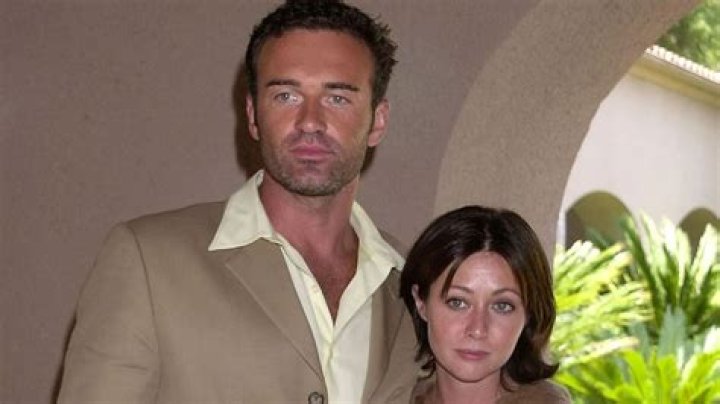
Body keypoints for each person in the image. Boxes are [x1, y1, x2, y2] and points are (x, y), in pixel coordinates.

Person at [58, 1, 419, 402]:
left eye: (337, 98)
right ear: (252, 114)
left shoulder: (415, 285)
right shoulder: (148, 261)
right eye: (286, 95)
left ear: (378, 120)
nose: (310, 122)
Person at [399, 206, 571, 403]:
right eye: (458, 302)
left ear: (528, 315)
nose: (478, 329)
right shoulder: (389, 395)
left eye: (502, 306)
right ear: (421, 302)